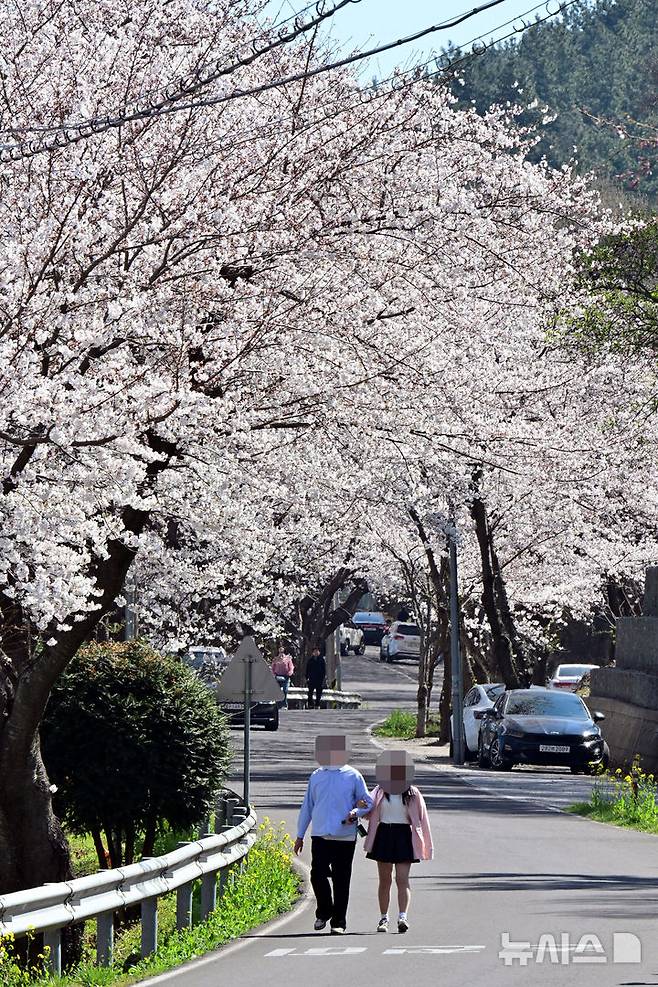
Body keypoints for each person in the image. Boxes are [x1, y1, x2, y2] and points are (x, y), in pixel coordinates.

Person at [295, 734, 372, 935]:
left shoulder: (353, 775)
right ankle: (324, 910)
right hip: (320, 834)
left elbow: (367, 802)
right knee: (317, 874)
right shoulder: (316, 776)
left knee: (341, 879)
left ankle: (339, 922)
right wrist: (300, 835)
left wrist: (355, 813)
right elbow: (307, 806)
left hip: (345, 836)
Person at [357, 750, 432, 934]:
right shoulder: (379, 791)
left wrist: (427, 847)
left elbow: (423, 821)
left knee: (402, 879)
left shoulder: (413, 793)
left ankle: (402, 917)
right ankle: (384, 918)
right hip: (384, 834)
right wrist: (357, 809)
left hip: (404, 836)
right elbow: (367, 810)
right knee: (385, 880)